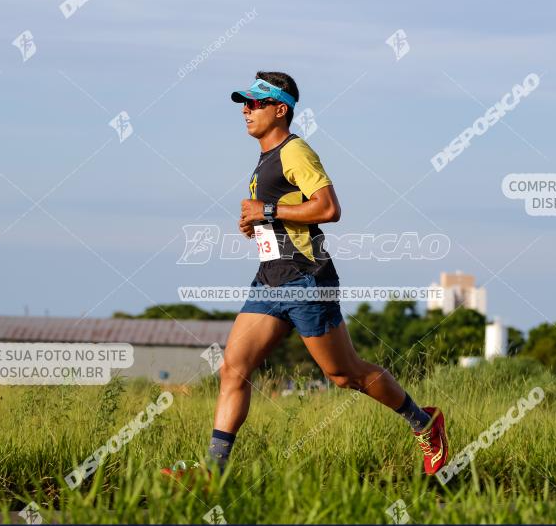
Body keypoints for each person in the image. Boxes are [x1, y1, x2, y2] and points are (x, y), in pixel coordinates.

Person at [162, 71, 448, 479]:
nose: (246, 110)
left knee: (344, 374)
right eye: (244, 103)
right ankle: (213, 473)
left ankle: (424, 423)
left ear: (281, 110)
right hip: (269, 280)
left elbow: (328, 208)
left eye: (256, 104)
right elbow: (283, 214)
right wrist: (257, 224)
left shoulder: (296, 152)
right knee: (234, 369)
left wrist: (268, 212)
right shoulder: (264, 160)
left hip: (306, 280)